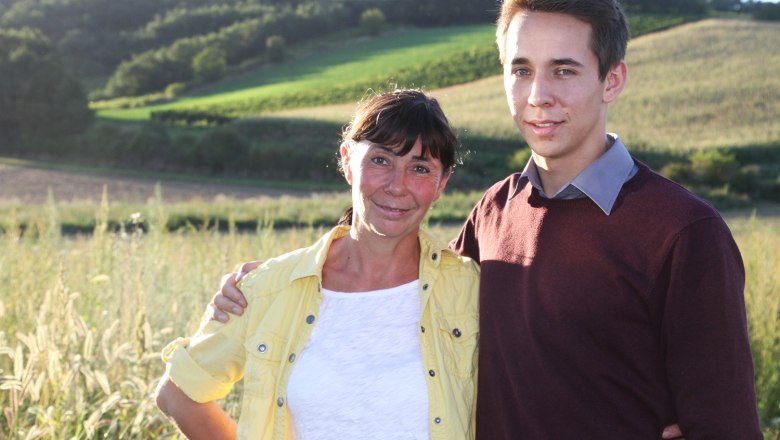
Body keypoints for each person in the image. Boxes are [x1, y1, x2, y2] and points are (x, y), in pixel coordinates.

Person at [212, 0, 763, 438]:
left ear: (612, 80)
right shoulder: (495, 211)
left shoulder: (682, 233)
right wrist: (275, 283)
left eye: (564, 71)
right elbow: (403, 284)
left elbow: (725, 425)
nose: (538, 96)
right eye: (521, 70)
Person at [155, 89, 481, 440]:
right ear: (347, 162)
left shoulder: (470, 290)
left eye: (419, 168)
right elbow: (178, 394)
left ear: (441, 182)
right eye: (380, 160)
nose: (396, 186)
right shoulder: (269, 288)